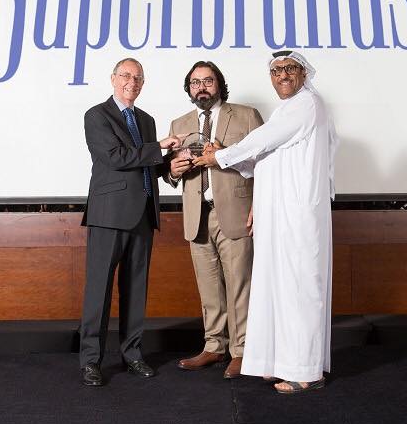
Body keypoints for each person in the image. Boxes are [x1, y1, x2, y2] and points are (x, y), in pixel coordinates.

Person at [194, 51, 338, 394]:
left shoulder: (307, 104)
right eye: (275, 71)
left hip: (297, 216)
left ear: (304, 73)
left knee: (300, 290)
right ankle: (284, 362)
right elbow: (264, 158)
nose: (282, 75)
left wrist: (221, 155)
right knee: (280, 288)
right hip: (279, 215)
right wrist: (227, 156)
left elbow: (261, 141)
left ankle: (306, 371)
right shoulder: (287, 110)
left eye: (289, 68)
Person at [80, 58, 184, 387]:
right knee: (98, 290)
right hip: (108, 215)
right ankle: (90, 361)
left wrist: (169, 166)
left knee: (136, 290)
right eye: (126, 75)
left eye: (138, 77)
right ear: (113, 78)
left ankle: (132, 354)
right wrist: (159, 147)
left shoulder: (146, 120)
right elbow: (115, 157)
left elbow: (145, 166)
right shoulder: (97, 115)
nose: (132, 82)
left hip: (143, 214)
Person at [165, 61, 263, 379]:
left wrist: (225, 155)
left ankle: (242, 351)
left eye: (208, 81)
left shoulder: (247, 116)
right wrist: (172, 171)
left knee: (239, 285)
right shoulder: (179, 123)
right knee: (209, 287)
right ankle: (214, 346)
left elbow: (264, 163)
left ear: (219, 84)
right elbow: (171, 173)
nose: (202, 87)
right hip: (197, 215)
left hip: (235, 213)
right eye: (195, 83)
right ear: (189, 89)